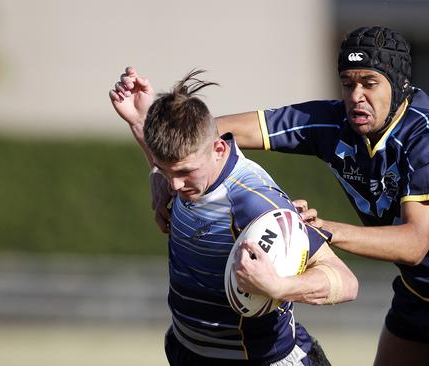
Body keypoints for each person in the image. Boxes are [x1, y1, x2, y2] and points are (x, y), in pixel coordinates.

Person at [113, 25, 429, 366]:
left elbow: (414, 244)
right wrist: (153, 130)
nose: (356, 97)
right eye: (348, 83)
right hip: (420, 293)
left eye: (370, 83)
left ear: (400, 85)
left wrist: (323, 231)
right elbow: (203, 138)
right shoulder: (331, 122)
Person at [108, 70, 358, 366]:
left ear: (218, 148)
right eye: (166, 172)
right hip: (188, 351)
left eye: (184, 173)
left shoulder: (254, 202)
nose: (174, 185)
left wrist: (279, 287)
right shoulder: (188, 174)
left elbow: (346, 281)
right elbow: (175, 164)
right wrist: (140, 123)